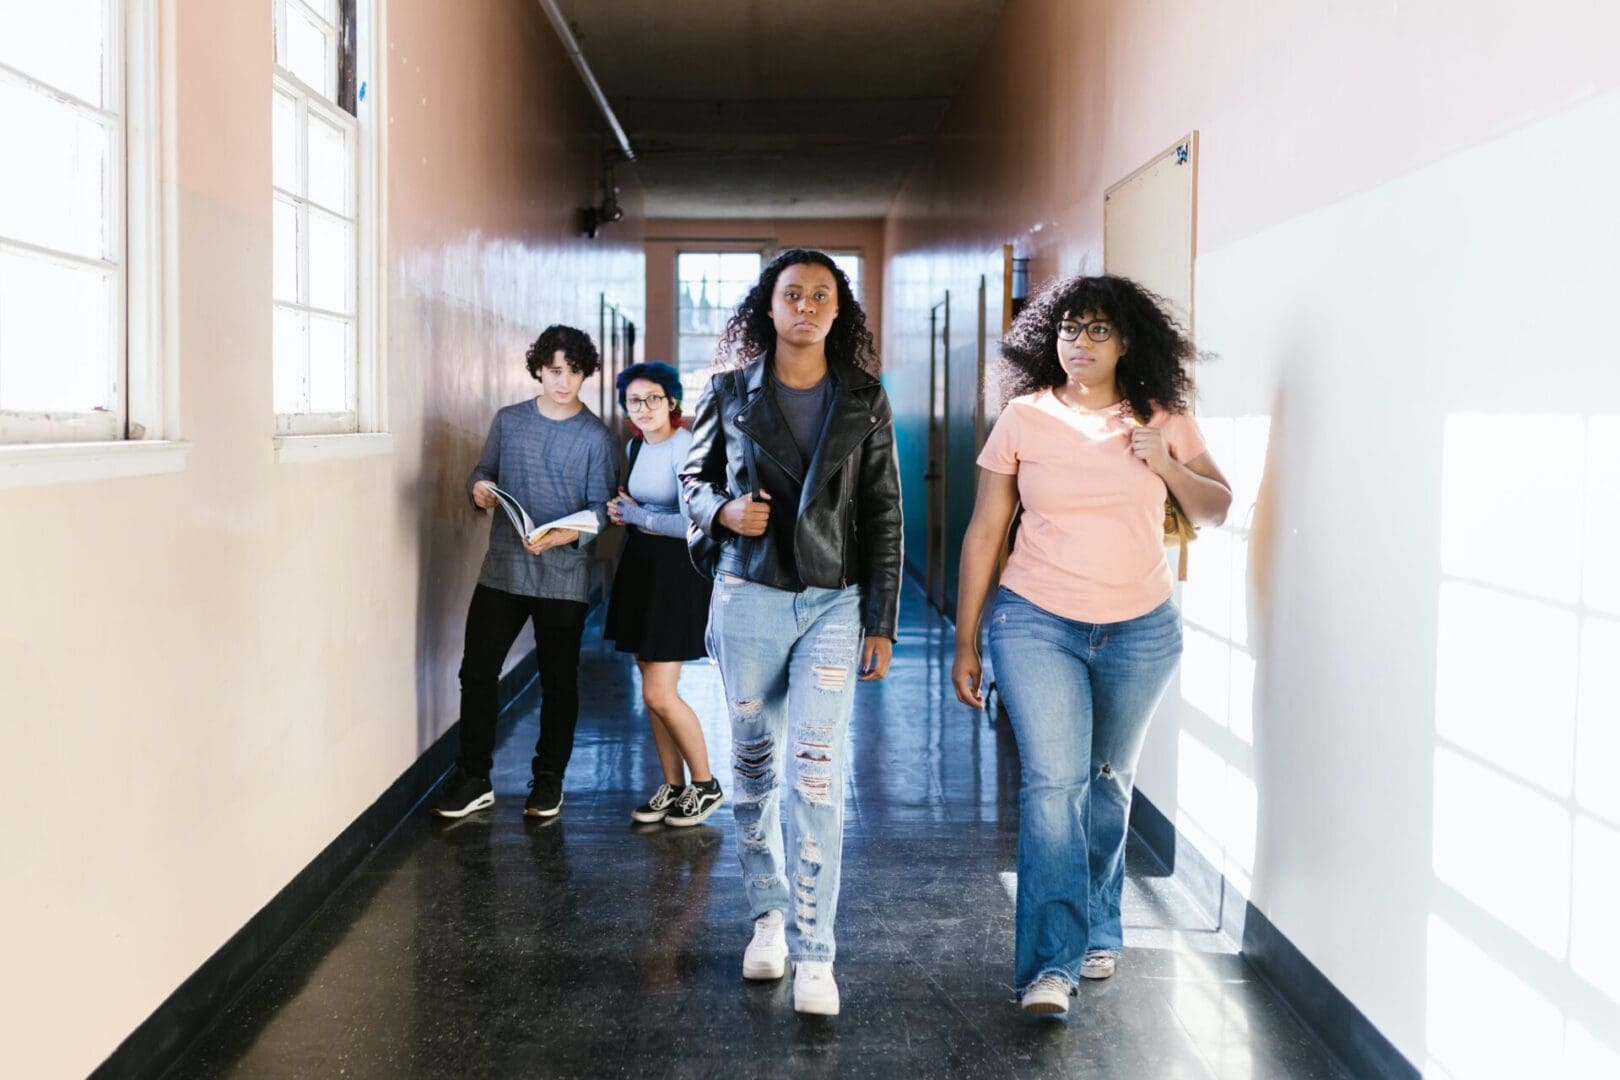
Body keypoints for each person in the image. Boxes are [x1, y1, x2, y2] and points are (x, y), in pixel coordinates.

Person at [951, 275, 1233, 1017]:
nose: (1080, 343)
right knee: (1053, 788)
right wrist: (966, 638)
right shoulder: (1023, 416)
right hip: (1036, 620)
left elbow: (1216, 507)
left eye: (1098, 330)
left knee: (1107, 783)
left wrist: (1166, 463)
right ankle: (1051, 965)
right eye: (1069, 329)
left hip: (1140, 628)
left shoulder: (1160, 416)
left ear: (1127, 341)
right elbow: (985, 531)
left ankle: (1100, 925)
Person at [681, 248, 903, 1017]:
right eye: (792, 294)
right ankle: (767, 917)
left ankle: (815, 950)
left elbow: (884, 512)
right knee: (754, 769)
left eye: (820, 296)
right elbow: (691, 480)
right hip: (748, 598)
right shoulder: (727, 392)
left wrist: (881, 621)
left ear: (839, 311)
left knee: (815, 772)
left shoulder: (865, 398)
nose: (805, 307)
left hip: (835, 603)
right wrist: (722, 512)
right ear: (768, 307)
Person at [430, 325, 617, 821]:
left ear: (585, 374)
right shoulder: (509, 422)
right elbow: (482, 472)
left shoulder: (596, 438)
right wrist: (479, 490)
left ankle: (548, 781)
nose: (564, 381)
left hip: (563, 576)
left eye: (574, 372)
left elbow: (601, 510)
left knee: (558, 682)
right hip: (503, 569)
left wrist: (562, 535)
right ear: (539, 370)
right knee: (477, 672)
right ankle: (473, 778)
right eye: (555, 370)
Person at [604, 361, 723, 828]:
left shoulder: (685, 447)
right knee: (649, 689)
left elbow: (695, 523)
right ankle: (673, 786)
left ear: (671, 401)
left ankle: (706, 784)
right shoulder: (635, 445)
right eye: (634, 400)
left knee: (660, 691)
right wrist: (627, 512)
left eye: (653, 398)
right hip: (641, 567)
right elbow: (644, 509)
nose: (644, 407)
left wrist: (637, 517)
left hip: (676, 573)